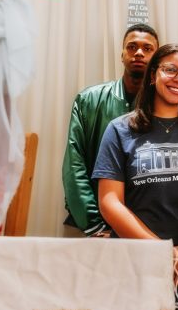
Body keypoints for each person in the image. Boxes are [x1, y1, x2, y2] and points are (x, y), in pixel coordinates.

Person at [92, 44, 178, 310]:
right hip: (134, 260)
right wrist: (164, 253)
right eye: (170, 70)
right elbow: (109, 202)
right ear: (153, 75)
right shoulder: (119, 130)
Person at [62, 23, 159, 237]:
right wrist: (95, 225)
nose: (139, 53)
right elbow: (74, 165)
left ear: (157, 59)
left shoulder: (166, 106)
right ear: (122, 55)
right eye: (132, 47)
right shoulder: (89, 100)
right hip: (94, 227)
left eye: (147, 48)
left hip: (148, 228)